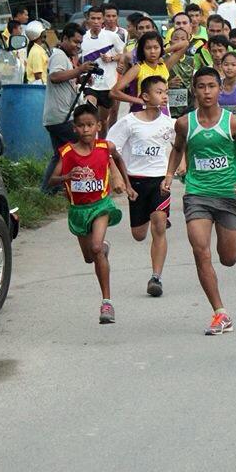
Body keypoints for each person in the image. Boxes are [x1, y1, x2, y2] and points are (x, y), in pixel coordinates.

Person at [161, 67, 236, 334]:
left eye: (211, 86)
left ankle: (220, 309)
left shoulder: (232, 123)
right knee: (200, 251)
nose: (206, 92)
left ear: (219, 89)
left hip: (228, 195)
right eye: (201, 86)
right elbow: (178, 147)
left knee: (228, 258)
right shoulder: (184, 123)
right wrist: (170, 173)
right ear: (194, 89)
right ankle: (220, 312)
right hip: (197, 194)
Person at [48, 103, 136, 324]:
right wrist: (67, 176)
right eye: (80, 126)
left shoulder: (105, 147)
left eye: (90, 125)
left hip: (100, 205)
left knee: (95, 248)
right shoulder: (67, 152)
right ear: (74, 128)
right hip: (78, 210)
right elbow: (51, 180)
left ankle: (107, 303)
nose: (86, 130)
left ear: (99, 125)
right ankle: (102, 250)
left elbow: (119, 159)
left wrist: (127, 184)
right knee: (90, 257)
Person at [106, 76, 177, 297]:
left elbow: (180, 146)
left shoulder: (169, 123)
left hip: (159, 181)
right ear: (145, 97)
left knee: (158, 224)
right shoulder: (129, 122)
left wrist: (175, 170)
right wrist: (116, 175)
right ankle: (151, 217)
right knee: (138, 234)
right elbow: (109, 148)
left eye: (166, 91)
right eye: (159, 91)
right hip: (135, 182)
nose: (164, 95)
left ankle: (156, 277)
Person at [41, 23, 98, 191]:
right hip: (61, 117)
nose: (77, 46)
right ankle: (82, 185)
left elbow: (65, 79)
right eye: (75, 41)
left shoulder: (65, 57)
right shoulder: (58, 56)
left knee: (59, 155)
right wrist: (79, 70)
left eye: (80, 43)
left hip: (58, 116)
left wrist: (81, 77)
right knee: (80, 147)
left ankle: (48, 190)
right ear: (64, 38)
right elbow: (55, 77)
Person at [81, 6, 126, 131]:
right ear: (87, 20)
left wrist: (111, 59)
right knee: (89, 114)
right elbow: (76, 58)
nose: (96, 21)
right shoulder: (82, 38)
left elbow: (124, 54)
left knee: (102, 121)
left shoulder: (112, 36)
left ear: (102, 20)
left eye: (98, 18)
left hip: (108, 85)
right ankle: (89, 144)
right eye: (93, 18)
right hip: (90, 84)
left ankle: (102, 146)